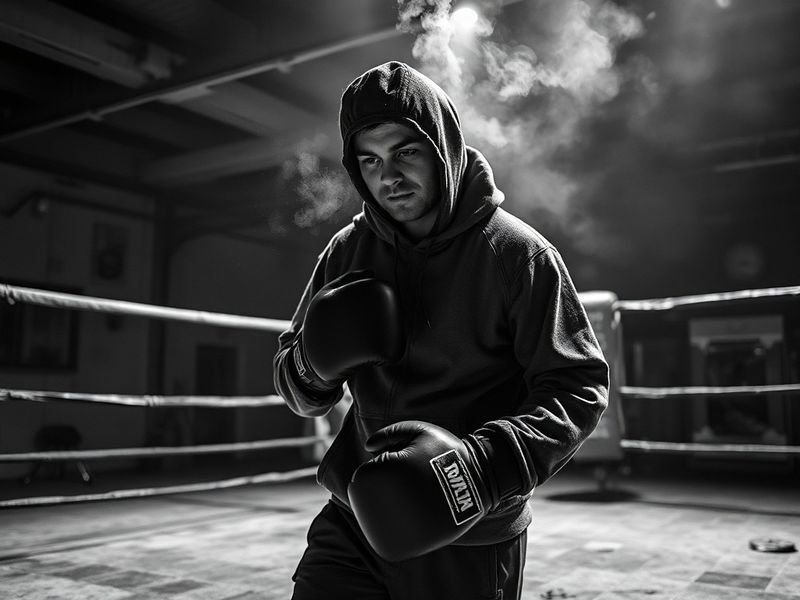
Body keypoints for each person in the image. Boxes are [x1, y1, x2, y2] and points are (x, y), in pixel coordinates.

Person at [273, 61, 609, 600]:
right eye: (370, 160)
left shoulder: (518, 254)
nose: (389, 176)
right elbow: (297, 388)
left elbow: (578, 388)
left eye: (406, 151)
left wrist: (477, 471)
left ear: (443, 147)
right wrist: (312, 364)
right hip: (353, 516)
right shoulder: (348, 251)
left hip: (467, 528)